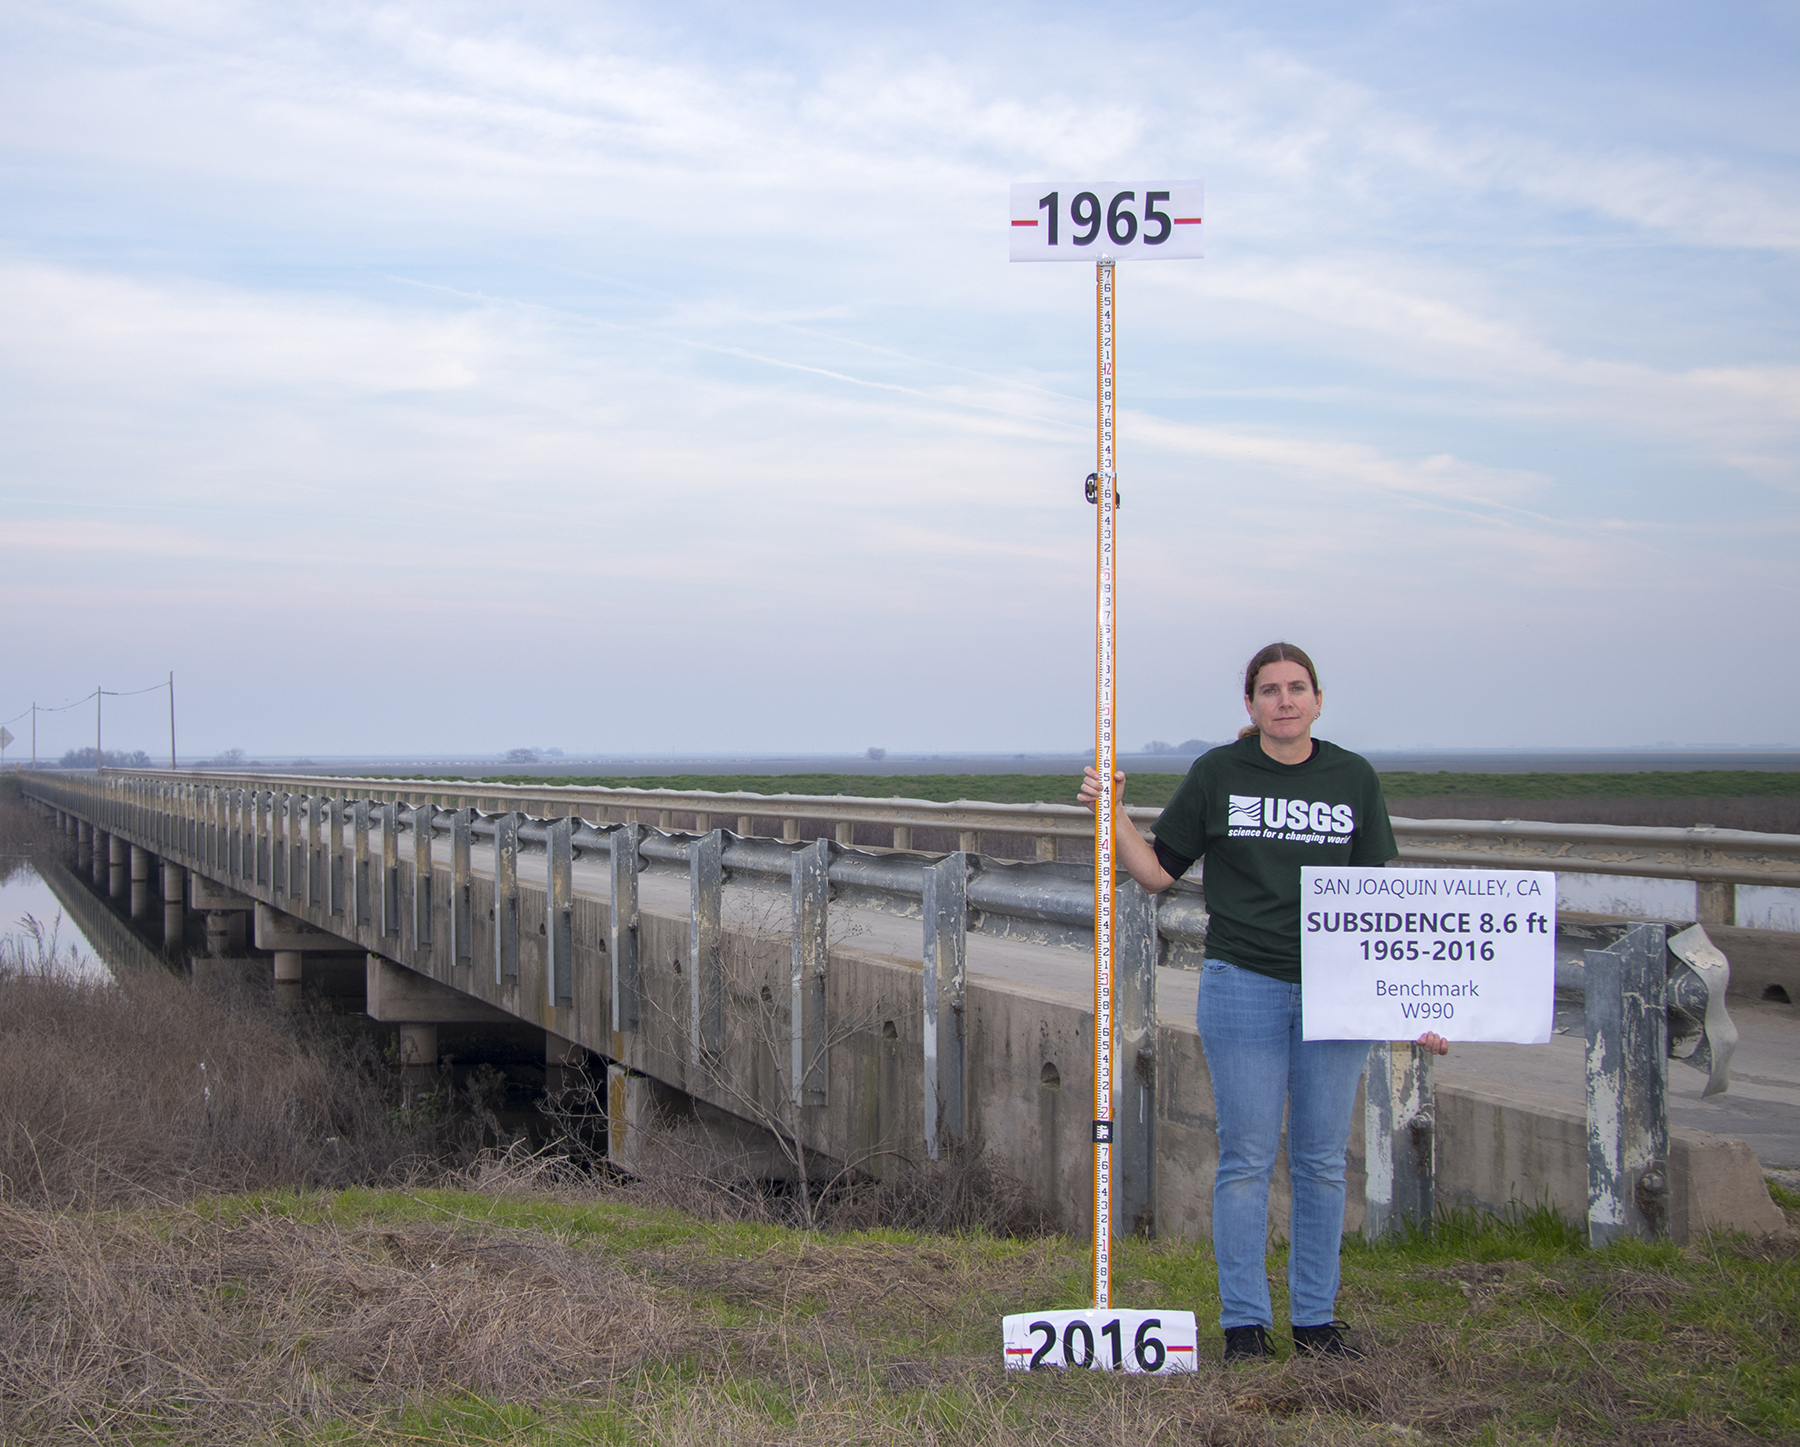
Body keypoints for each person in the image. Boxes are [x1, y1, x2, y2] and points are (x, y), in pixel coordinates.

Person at [1079, 641, 1447, 1365]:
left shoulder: (1353, 777)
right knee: (1246, 1158)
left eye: (1297, 688)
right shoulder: (1219, 773)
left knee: (1321, 1161)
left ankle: (1316, 1321)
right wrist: (1113, 814)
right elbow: (1156, 873)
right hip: (1243, 982)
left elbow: (1381, 902)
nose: (1284, 700)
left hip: (1335, 992)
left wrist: (1417, 1002)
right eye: (1270, 689)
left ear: (1318, 700)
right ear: (1250, 703)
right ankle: (1244, 1323)